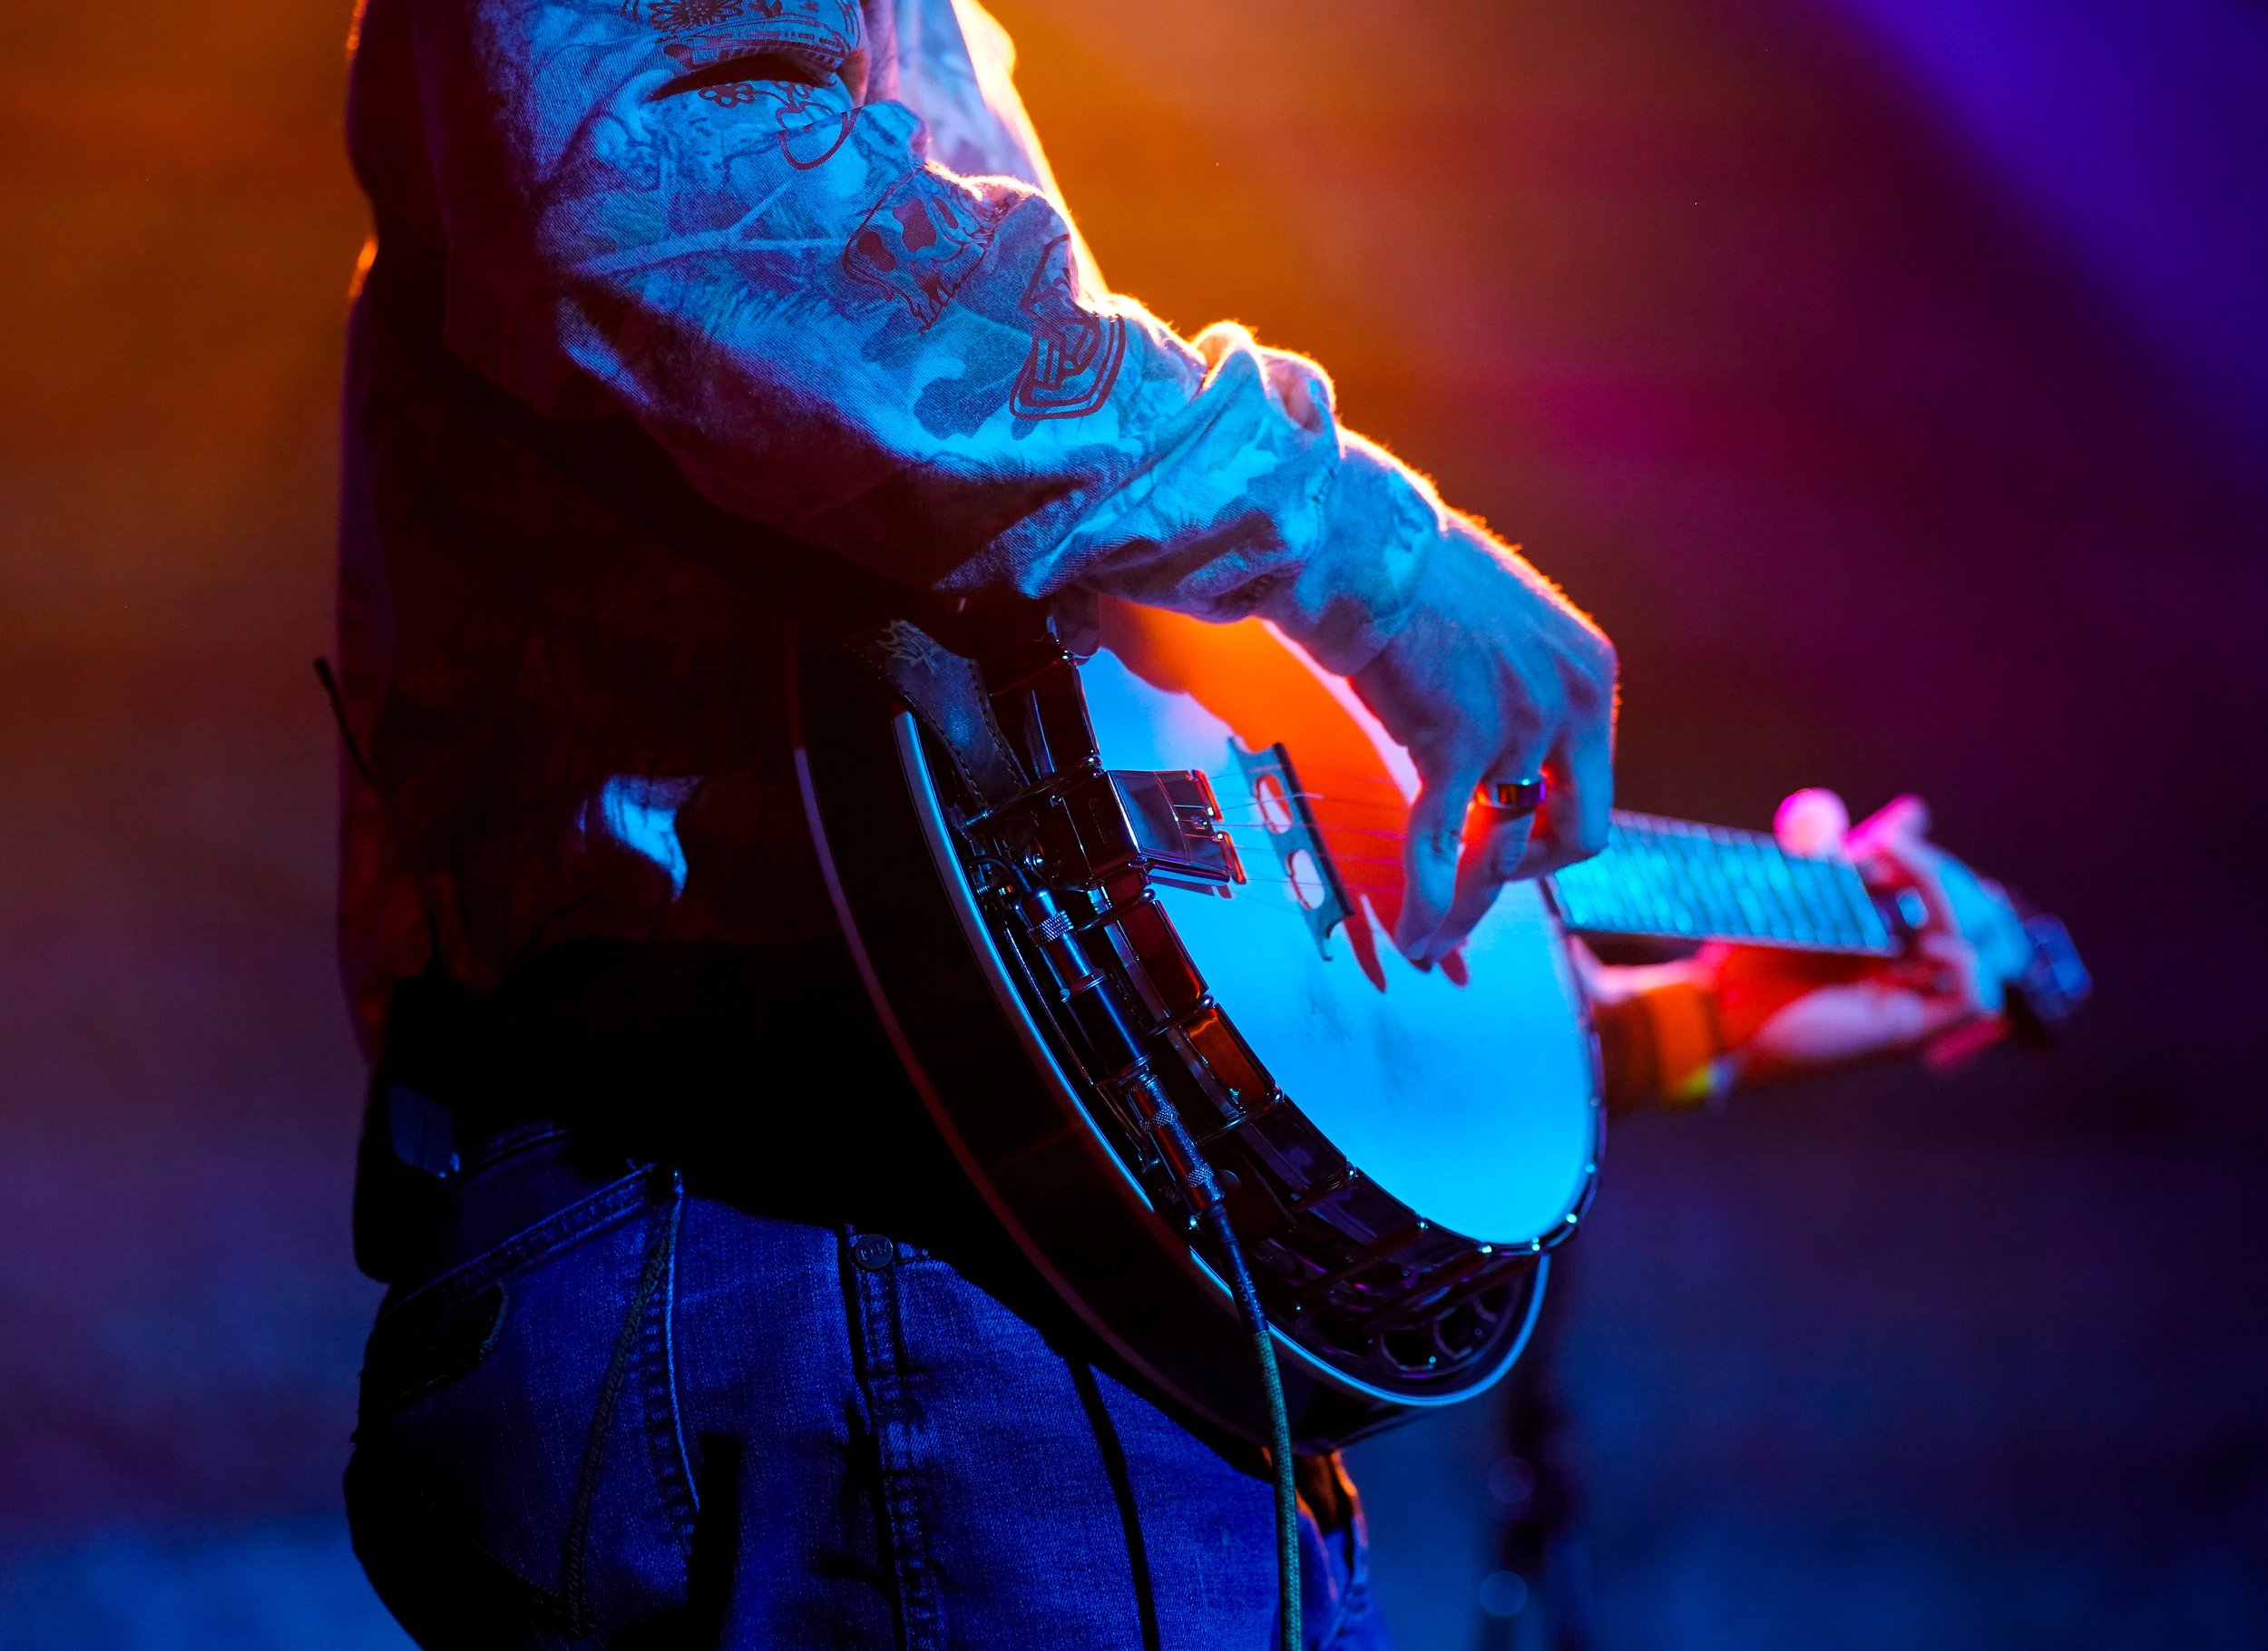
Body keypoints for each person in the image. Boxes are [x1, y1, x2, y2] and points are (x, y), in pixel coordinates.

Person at [330, 2, 2025, 1646]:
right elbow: (677, 195)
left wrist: (1690, 1027)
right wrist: (1373, 550)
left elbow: (1101, 932)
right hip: (864, 1269)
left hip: (911, 1293)